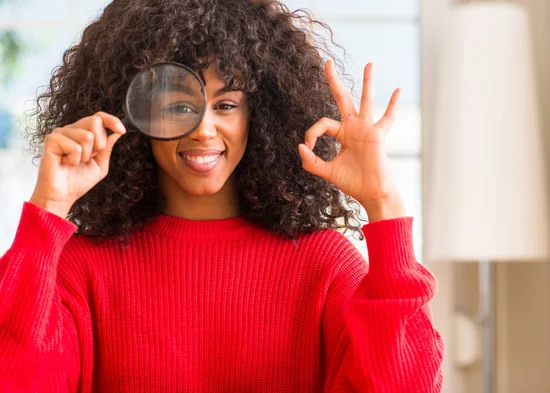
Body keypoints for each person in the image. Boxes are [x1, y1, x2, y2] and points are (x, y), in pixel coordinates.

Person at [0, 0, 444, 391]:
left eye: (227, 105)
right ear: (133, 117)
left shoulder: (323, 264)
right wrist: (48, 210)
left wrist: (384, 204)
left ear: (261, 115)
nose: (204, 129)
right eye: (178, 106)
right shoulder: (83, 268)